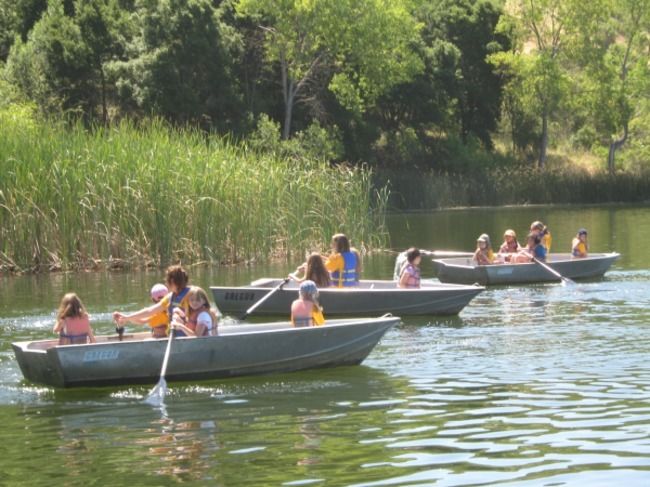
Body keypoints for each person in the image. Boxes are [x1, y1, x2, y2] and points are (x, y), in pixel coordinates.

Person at [113, 265, 191, 337]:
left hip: (186, 336)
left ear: (172, 281)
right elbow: (149, 311)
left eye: (167, 281)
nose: (166, 283)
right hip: (174, 336)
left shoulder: (193, 294)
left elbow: (147, 314)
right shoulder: (170, 297)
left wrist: (127, 318)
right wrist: (126, 317)